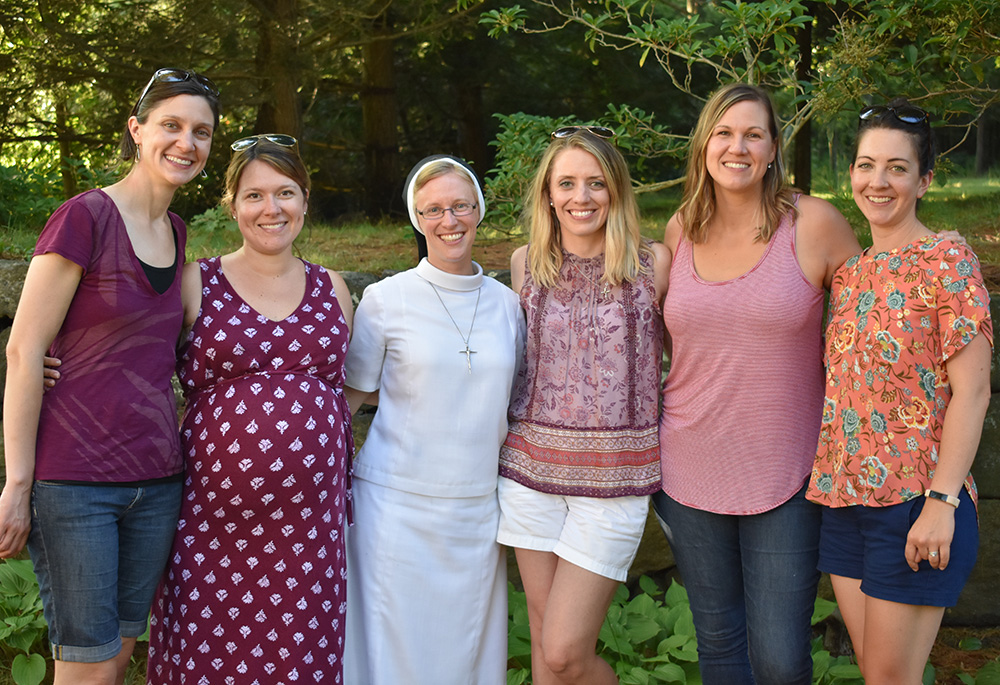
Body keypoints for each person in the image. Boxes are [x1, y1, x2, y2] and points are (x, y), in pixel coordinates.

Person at [0, 68, 219, 685]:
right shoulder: (84, 218)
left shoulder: (178, 233)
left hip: (157, 480)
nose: (186, 143)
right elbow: (24, 349)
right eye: (171, 126)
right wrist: (18, 483)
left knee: (121, 652)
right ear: (137, 130)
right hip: (76, 483)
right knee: (86, 662)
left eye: (200, 132)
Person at [653, 83, 862, 685]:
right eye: (723, 132)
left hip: (787, 473)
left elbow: (874, 321)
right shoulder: (679, 231)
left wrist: (934, 254)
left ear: (773, 148)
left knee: (778, 658)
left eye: (753, 134)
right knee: (719, 648)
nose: (736, 146)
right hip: (688, 470)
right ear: (704, 145)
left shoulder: (813, 223)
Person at [142, 134, 355, 684]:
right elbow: (133, 361)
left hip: (309, 531)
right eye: (254, 195)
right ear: (230, 203)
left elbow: (351, 388)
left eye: (285, 192)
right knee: (208, 659)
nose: (271, 209)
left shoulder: (333, 288)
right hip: (212, 524)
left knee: (300, 659)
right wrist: (56, 364)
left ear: (305, 200)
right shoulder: (196, 281)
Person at [807, 100, 992, 684]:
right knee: (880, 676)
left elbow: (974, 393)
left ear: (924, 180)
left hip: (916, 501)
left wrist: (942, 504)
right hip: (845, 501)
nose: (877, 181)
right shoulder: (852, 272)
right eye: (865, 165)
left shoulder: (949, 261)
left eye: (896, 167)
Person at [498, 126, 670, 684]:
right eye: (567, 183)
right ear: (548, 193)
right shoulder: (527, 264)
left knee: (566, 652)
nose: (581, 197)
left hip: (615, 482)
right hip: (529, 476)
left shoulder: (654, 265)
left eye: (596, 183)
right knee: (550, 655)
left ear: (616, 190)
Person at [342, 155, 524, 684]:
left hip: (475, 509)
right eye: (434, 209)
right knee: (390, 653)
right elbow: (348, 400)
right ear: (417, 220)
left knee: (462, 656)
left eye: (461, 206)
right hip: (393, 507)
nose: (450, 220)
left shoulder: (508, 305)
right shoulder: (386, 299)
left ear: (479, 211)